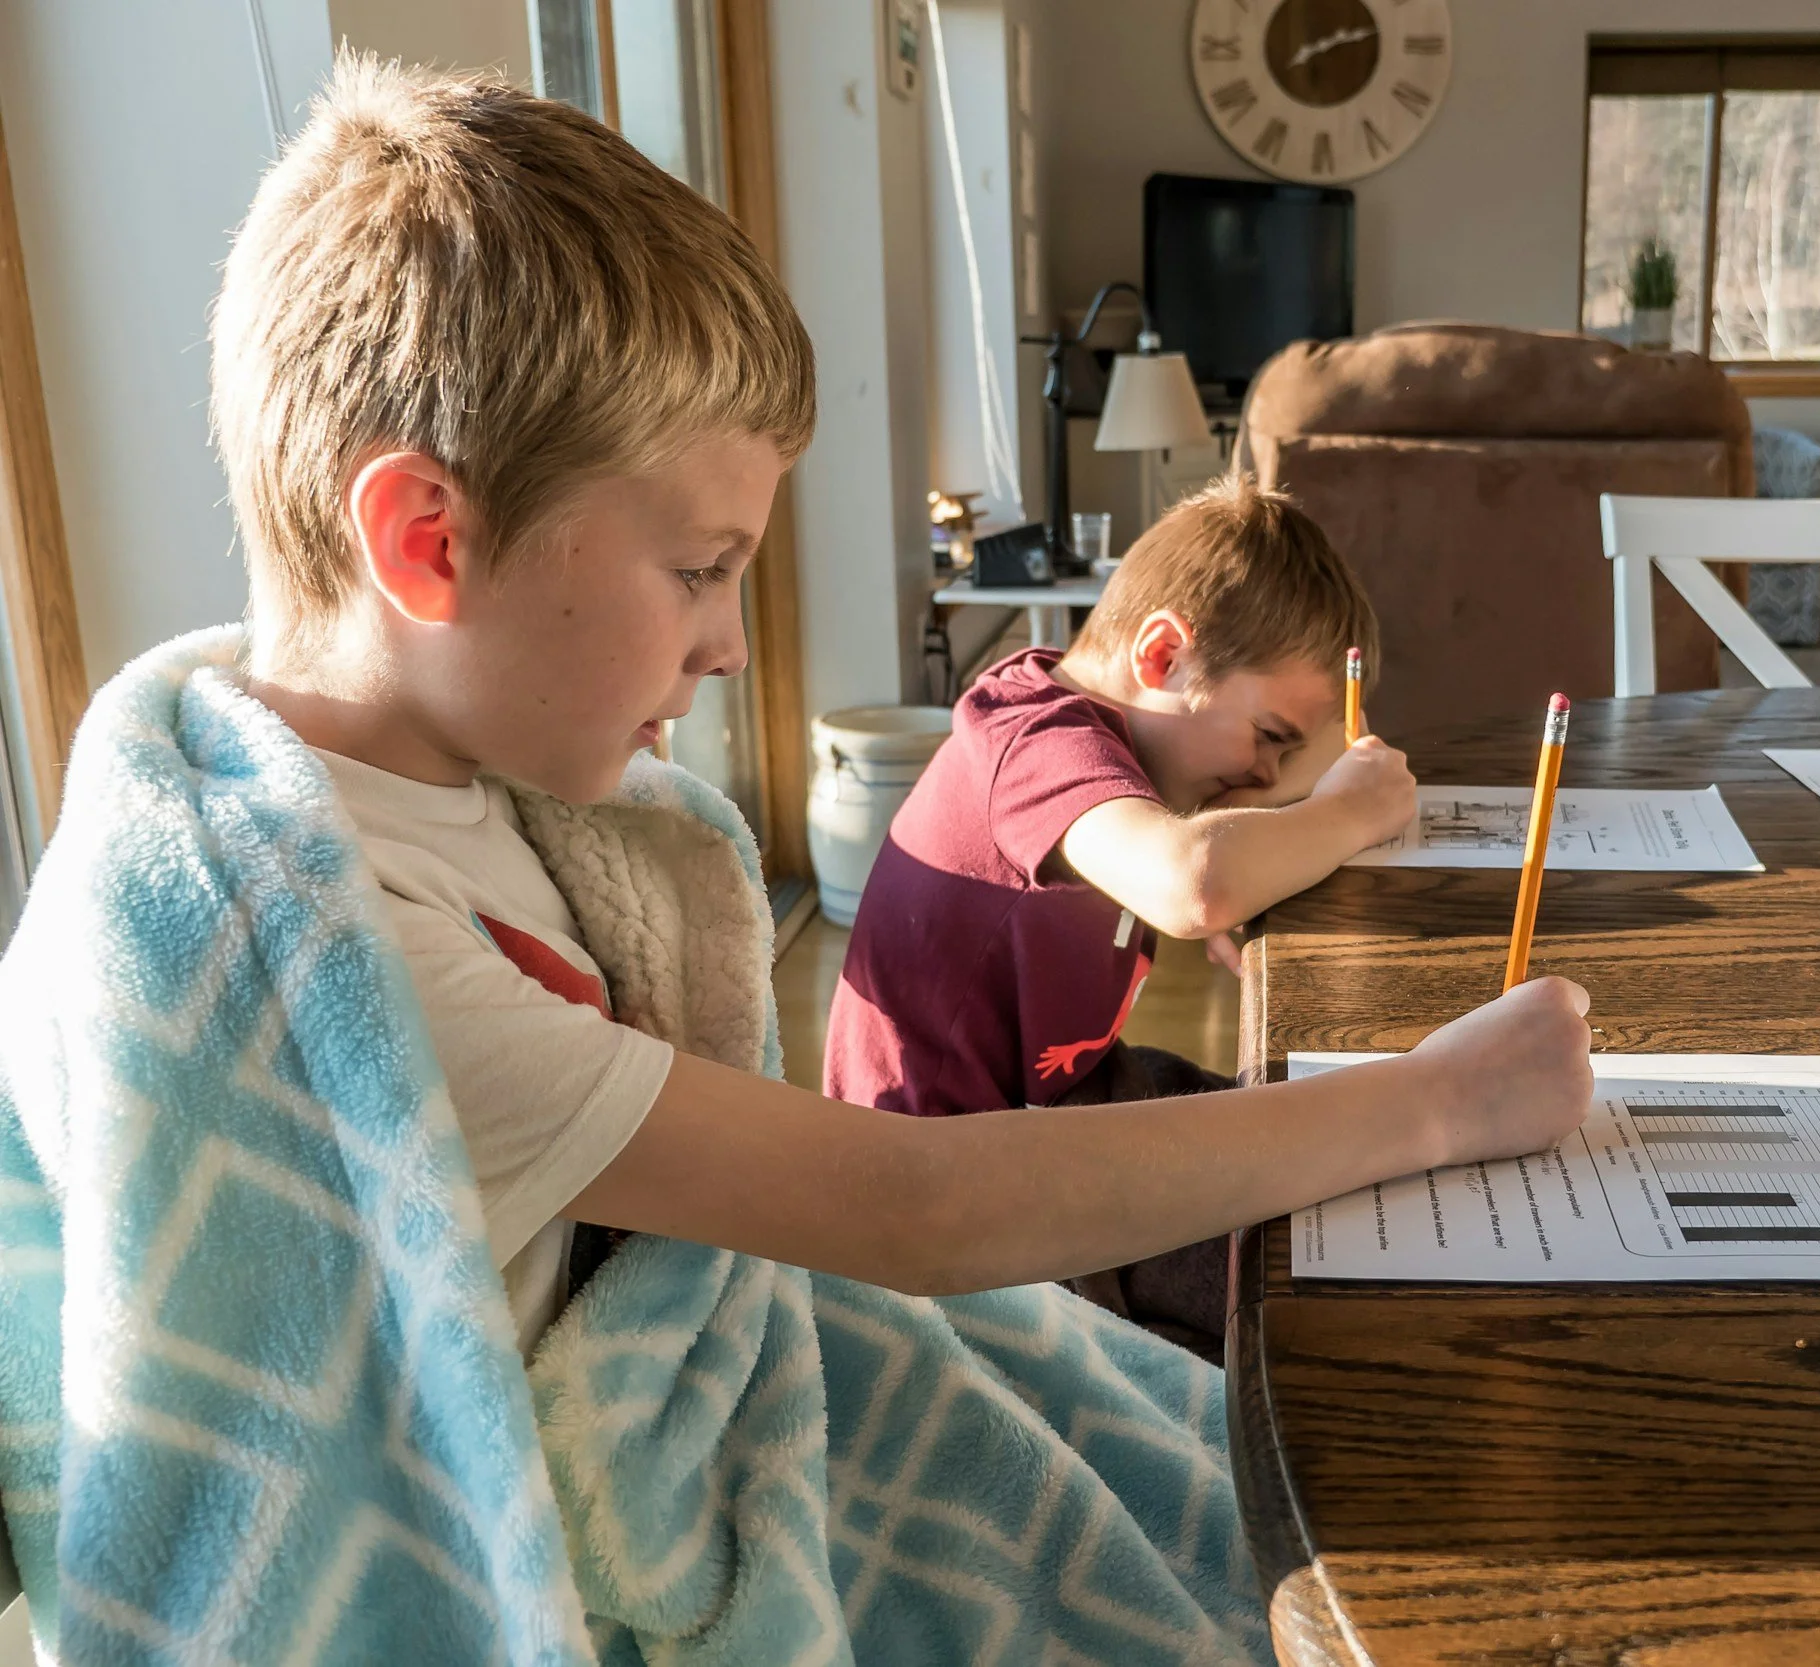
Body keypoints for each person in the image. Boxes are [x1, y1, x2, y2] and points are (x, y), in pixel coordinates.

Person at [0, 59, 1595, 1656]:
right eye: (701, 570)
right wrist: (1438, 1098)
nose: (727, 646)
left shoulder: (461, 786)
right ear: (429, 538)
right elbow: (907, 1206)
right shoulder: (333, 958)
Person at [825, 476, 1419, 1347]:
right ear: (1161, 656)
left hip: (1063, 1104)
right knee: (1305, 1268)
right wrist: (1344, 815)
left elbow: (1200, 862)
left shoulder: (1118, 741)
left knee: (1330, 1152)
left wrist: (1273, 831)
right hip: (951, 1192)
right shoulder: (1033, 741)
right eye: (1268, 738)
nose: (1267, 777)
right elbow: (1193, 883)